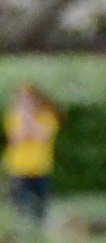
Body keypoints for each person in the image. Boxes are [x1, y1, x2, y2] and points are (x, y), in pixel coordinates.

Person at [3, 83, 62, 227]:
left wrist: (29, 119)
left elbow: (44, 137)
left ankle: (39, 229)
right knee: (21, 204)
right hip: (19, 168)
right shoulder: (13, 117)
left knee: (41, 204)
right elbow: (17, 139)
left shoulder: (48, 117)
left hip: (41, 167)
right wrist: (27, 124)